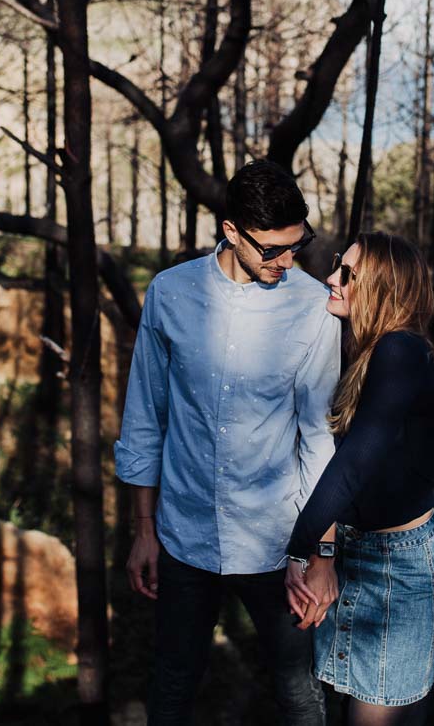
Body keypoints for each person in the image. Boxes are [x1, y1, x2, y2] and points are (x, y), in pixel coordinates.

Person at [115, 160, 341, 725]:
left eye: (298, 244)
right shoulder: (170, 294)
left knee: (301, 699)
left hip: (276, 543)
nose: (287, 261)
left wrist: (323, 554)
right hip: (184, 535)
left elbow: (319, 440)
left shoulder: (313, 305)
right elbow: (144, 416)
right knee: (171, 688)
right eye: (272, 250)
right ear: (231, 231)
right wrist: (144, 532)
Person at [284, 232, 434, 725]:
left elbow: (354, 465)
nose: (331, 279)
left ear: (382, 288)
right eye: (338, 265)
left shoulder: (399, 352)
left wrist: (299, 548)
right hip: (360, 557)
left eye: (347, 275)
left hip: (396, 573)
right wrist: (328, 551)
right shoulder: (371, 350)